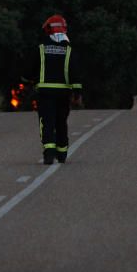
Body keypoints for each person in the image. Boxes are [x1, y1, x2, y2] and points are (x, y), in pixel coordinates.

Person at [25, 14, 82, 165]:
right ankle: (62, 154)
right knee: (61, 122)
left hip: (45, 93)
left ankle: (49, 153)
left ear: (48, 30)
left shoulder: (41, 48)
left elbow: (30, 69)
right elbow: (75, 72)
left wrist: (26, 81)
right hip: (64, 93)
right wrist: (77, 93)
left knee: (47, 122)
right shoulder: (69, 50)